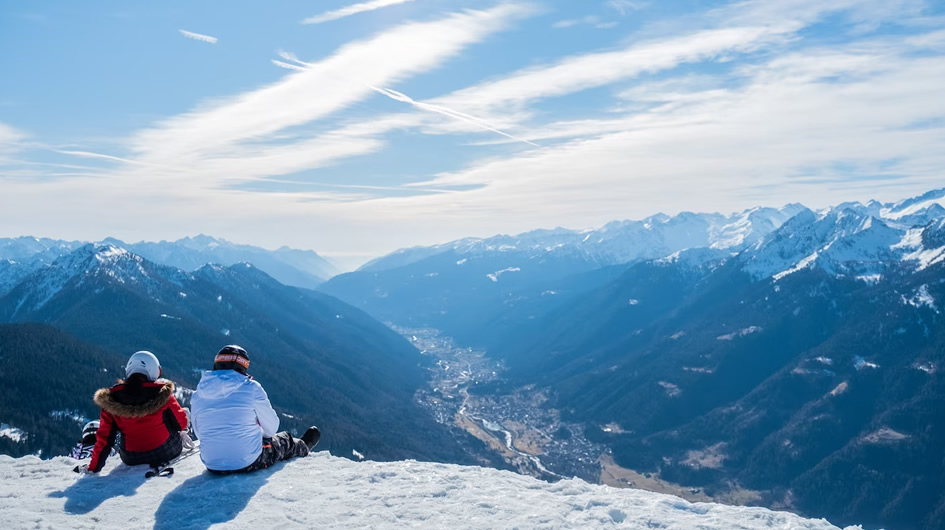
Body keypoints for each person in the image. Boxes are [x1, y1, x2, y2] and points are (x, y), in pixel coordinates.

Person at [190, 345, 320, 474]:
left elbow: (199, 432)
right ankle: (303, 446)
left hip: (212, 465)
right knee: (285, 440)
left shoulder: (198, 394)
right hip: (248, 461)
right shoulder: (251, 388)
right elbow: (272, 428)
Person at [75, 351, 189, 473]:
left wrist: (93, 468)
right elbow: (181, 424)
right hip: (166, 451)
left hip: (131, 457)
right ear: (154, 371)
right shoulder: (162, 393)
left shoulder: (111, 399)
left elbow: (105, 439)